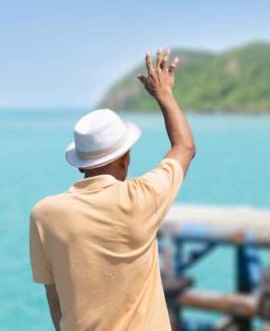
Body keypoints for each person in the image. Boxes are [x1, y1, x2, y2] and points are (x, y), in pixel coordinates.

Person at [29, 49, 196, 331]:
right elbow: (184, 147)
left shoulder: (45, 214)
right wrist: (164, 94)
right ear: (124, 157)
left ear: (80, 163)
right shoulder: (142, 198)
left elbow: (54, 298)